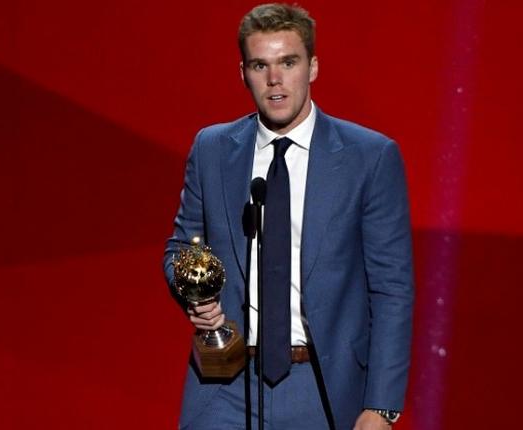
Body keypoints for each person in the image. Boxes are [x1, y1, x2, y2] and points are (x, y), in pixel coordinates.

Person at [164, 4, 413, 429]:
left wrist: (382, 405)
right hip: (226, 382)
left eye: (288, 62)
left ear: (313, 67)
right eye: (260, 65)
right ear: (243, 72)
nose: (274, 80)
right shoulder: (212, 150)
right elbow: (179, 249)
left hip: (320, 384)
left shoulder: (369, 158)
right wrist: (195, 295)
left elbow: (391, 288)